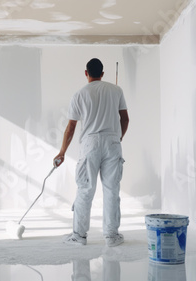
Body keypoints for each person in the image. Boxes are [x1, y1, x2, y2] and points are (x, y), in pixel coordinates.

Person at [54, 58, 129, 247]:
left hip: (90, 144)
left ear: (86, 73)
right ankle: (111, 236)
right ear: (102, 74)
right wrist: (118, 138)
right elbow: (125, 119)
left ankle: (79, 236)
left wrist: (62, 152)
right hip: (112, 142)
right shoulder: (116, 90)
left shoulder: (79, 94)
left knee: (86, 189)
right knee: (112, 190)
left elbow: (71, 127)